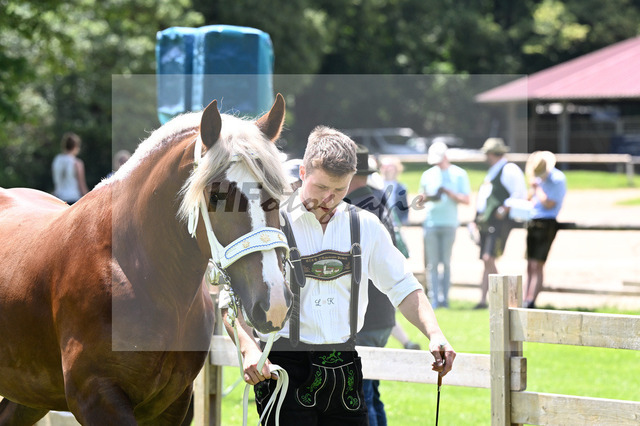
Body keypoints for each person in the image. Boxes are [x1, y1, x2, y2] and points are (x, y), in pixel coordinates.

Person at [222, 126, 455, 425]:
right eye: (320, 187)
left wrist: (435, 334)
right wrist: (249, 349)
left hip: (344, 364)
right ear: (303, 172)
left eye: (340, 190)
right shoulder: (270, 222)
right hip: (283, 366)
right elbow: (230, 299)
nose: (329, 198)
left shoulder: (365, 226)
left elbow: (404, 286)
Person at [472, 137, 526, 309]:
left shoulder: (509, 169)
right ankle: (483, 300)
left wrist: (505, 209)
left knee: (489, 258)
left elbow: (519, 193)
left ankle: (508, 297)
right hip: (487, 220)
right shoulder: (494, 170)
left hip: (499, 221)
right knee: (486, 260)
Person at [418, 141, 470, 308]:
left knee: (446, 262)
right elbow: (420, 200)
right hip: (431, 222)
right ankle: (434, 299)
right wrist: (426, 198)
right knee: (432, 264)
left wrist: (449, 193)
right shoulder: (427, 175)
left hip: (449, 223)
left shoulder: (459, 174)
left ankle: (445, 299)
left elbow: (466, 199)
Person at [523, 151, 567, 308]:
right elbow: (531, 199)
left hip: (547, 222)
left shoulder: (557, 179)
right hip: (533, 220)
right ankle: (525, 297)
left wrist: (537, 189)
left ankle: (531, 300)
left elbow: (549, 204)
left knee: (538, 264)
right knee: (529, 264)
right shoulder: (539, 179)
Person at [51, 132, 89, 204]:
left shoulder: (57, 160)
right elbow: (81, 186)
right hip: (73, 198)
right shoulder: (77, 163)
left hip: (58, 198)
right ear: (76, 146)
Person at [379, 156, 409, 225]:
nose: (387, 169)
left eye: (390, 167)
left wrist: (403, 221)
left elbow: (404, 207)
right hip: (380, 222)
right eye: (384, 167)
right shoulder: (377, 185)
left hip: (396, 223)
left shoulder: (401, 188)